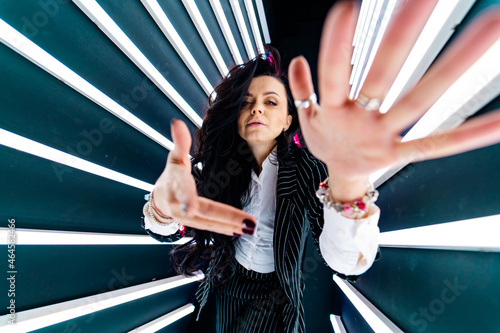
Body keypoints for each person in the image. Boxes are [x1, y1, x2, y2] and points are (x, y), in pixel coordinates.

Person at [142, 2, 500, 332]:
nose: (257, 110)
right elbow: (170, 226)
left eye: (270, 101)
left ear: (286, 121)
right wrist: (161, 209)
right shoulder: (221, 166)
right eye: (247, 102)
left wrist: (348, 181)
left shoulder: (305, 169)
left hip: (276, 297)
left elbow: (346, 263)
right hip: (223, 286)